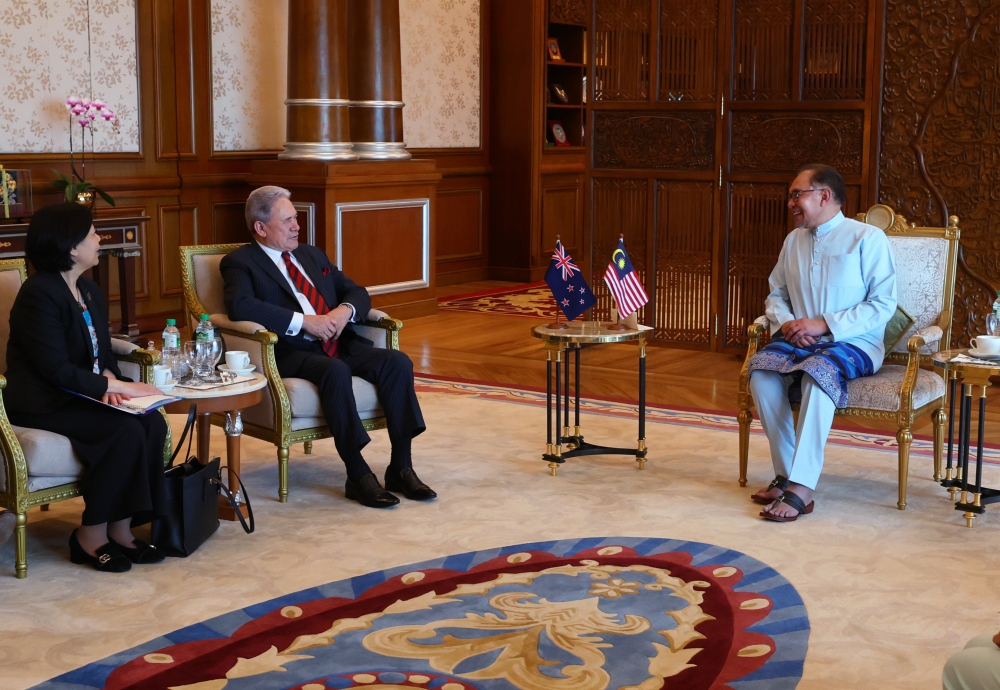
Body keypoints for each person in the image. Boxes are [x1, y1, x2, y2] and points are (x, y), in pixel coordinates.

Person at [220, 186, 435, 508]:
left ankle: (401, 466)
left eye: (295, 218)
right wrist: (304, 322)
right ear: (260, 228)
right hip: (292, 350)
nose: (296, 226)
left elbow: (356, 290)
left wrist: (342, 311)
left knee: (397, 362)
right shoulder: (240, 262)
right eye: (287, 220)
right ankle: (357, 473)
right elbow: (241, 306)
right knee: (335, 371)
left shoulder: (311, 255)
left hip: (339, 341)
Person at [5, 203, 168, 572]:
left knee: (151, 423)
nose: (99, 239)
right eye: (92, 233)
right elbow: (55, 369)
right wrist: (104, 387)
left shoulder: (88, 290)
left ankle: (122, 530)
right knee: (123, 431)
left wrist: (114, 384)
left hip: (80, 393)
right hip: (43, 401)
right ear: (70, 246)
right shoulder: (38, 295)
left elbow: (103, 351)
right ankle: (90, 536)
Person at [747, 164, 897, 522]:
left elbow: (883, 304)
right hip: (797, 337)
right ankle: (787, 474)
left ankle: (802, 487)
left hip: (854, 341)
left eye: (796, 195)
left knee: (818, 374)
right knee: (760, 374)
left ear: (824, 195)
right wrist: (789, 324)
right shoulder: (793, 240)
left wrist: (823, 325)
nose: (790, 203)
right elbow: (776, 294)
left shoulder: (866, 238)